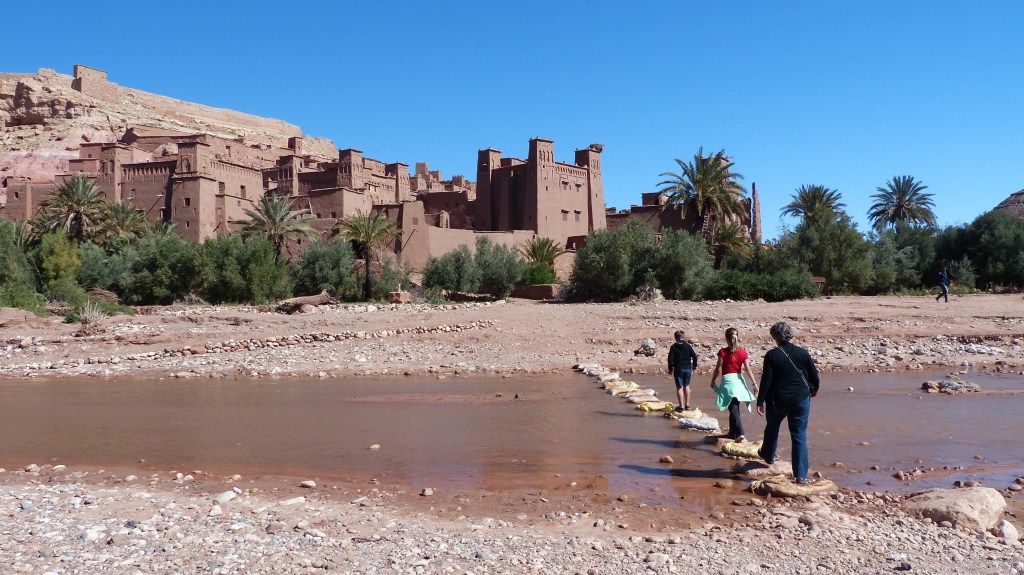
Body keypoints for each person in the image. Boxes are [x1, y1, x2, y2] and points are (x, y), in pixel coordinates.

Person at [756, 322, 820, 484]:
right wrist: (813, 389)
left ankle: (768, 456)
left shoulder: (772, 355)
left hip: (777, 400)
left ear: (774, 336)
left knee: (772, 428)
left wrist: (761, 399)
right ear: (790, 335)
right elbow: (814, 376)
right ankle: (801, 476)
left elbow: (766, 380)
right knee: (799, 436)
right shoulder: (802, 353)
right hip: (800, 400)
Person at [709, 327, 758, 442]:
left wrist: (712, 381)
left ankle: (740, 433)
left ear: (726, 338)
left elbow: (717, 369)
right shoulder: (742, 352)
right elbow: (748, 369)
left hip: (728, 383)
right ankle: (732, 433)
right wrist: (755, 384)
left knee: (733, 407)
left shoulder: (723, 352)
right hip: (739, 382)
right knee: (734, 407)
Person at [667, 330, 698, 412]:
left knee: (679, 387)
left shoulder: (673, 347)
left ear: (675, 338)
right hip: (687, 368)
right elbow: (694, 356)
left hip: (678, 368)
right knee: (686, 386)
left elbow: (670, 360)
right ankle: (687, 405)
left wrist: (670, 369)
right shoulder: (687, 346)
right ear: (683, 337)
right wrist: (694, 366)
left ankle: (681, 407)